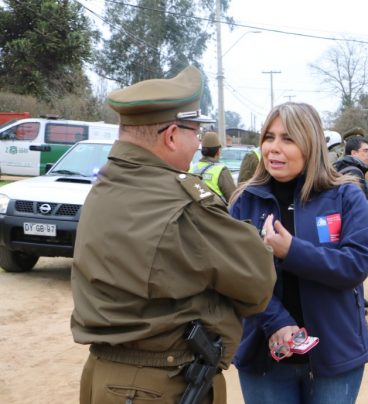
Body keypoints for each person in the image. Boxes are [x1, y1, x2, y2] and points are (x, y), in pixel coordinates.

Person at [70, 65, 276, 404]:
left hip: (103, 375)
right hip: (157, 384)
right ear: (170, 136)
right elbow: (258, 282)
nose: (198, 143)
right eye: (194, 132)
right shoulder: (181, 203)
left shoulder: (105, 186)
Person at [229, 102, 368, 404]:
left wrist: (291, 251)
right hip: (265, 357)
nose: (273, 148)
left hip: (335, 354)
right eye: (268, 137)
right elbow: (233, 276)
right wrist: (277, 321)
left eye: (287, 139)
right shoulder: (245, 201)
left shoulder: (347, 195)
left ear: (310, 143)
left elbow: (356, 265)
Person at [333, 136, 368, 337]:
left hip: (343, 231)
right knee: (355, 276)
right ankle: (359, 322)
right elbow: (357, 208)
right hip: (353, 232)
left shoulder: (345, 168)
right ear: (353, 153)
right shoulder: (353, 172)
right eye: (365, 150)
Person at [190, 131, 237, 203]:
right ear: (218, 151)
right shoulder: (221, 170)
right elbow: (233, 199)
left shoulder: (191, 169)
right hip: (215, 212)